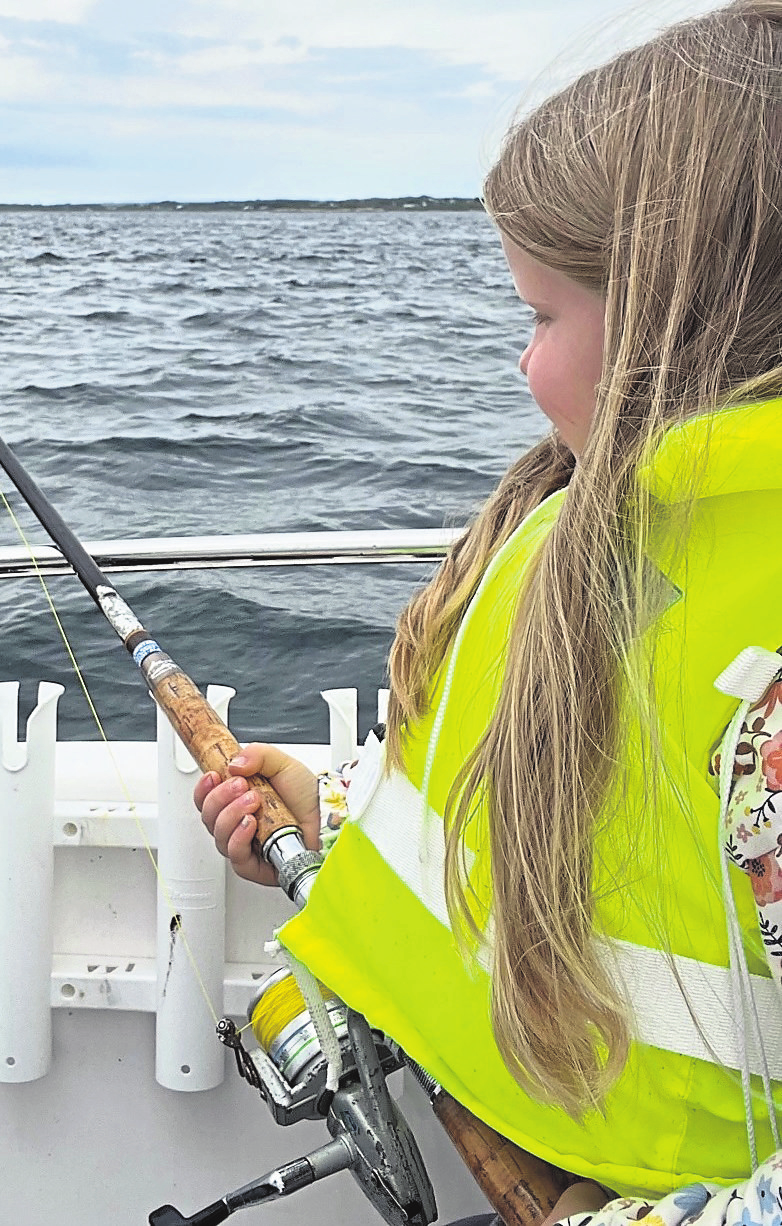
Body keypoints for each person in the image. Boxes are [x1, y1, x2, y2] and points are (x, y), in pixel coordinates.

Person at [196, 3, 782, 1223]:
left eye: (542, 316)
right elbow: (575, 811)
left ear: (686, 323)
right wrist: (337, 819)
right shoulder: (591, 524)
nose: (522, 367)